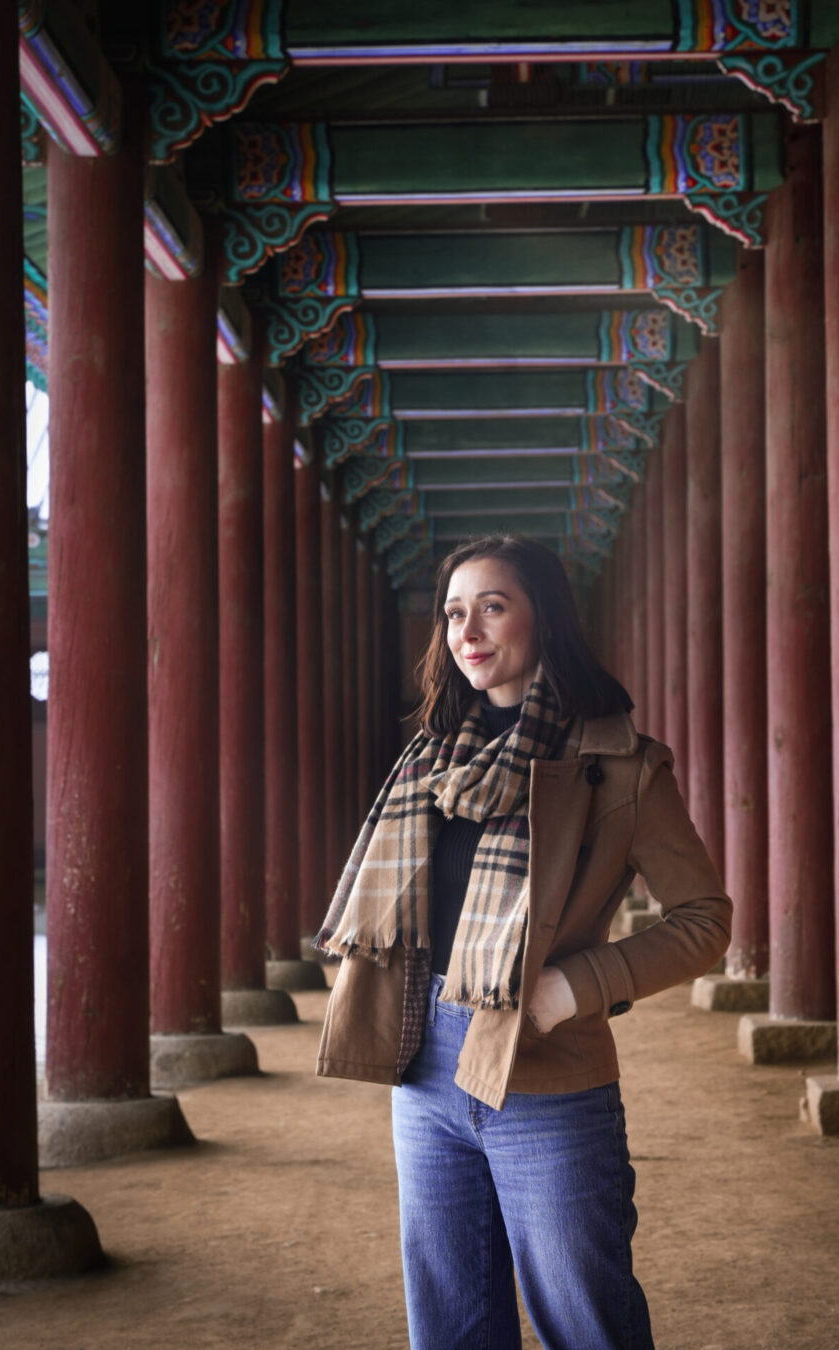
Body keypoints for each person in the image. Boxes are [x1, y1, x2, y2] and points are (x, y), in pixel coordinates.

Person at [314, 534, 731, 1350]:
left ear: (545, 620)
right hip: (425, 1067)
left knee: (585, 1321)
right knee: (452, 1325)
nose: (467, 630)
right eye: (454, 613)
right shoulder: (428, 765)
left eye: (493, 607)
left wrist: (571, 989)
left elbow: (703, 919)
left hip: (548, 1074)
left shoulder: (622, 767)